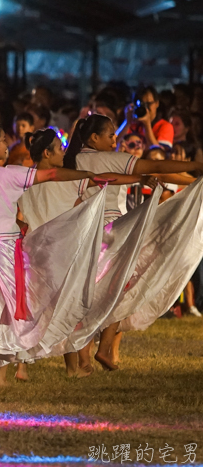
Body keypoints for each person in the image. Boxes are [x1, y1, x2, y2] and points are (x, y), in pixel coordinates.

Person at [0, 122, 108, 386]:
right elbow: (50, 175)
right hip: (3, 247)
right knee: (9, 309)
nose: (6, 145)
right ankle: (1, 375)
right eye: (3, 140)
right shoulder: (9, 174)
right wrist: (87, 175)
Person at [64, 113, 203, 370]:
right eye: (111, 135)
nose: (115, 139)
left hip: (80, 231)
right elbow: (157, 168)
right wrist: (195, 171)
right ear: (95, 138)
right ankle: (104, 349)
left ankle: (83, 360)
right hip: (111, 232)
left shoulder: (72, 159)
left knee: (84, 294)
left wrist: (194, 179)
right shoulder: (109, 158)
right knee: (119, 288)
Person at [17, 128, 141, 377]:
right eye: (59, 149)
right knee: (68, 310)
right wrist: (139, 179)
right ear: (46, 153)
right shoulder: (67, 179)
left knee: (31, 311)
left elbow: (17, 215)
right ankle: (74, 367)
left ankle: (21, 367)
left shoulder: (21, 178)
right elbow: (104, 179)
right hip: (61, 251)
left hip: (32, 251)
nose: (64, 152)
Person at [123, 87, 174, 151]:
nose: (145, 108)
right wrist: (127, 122)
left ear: (157, 103)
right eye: (142, 104)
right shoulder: (133, 124)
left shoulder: (165, 126)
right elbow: (114, 145)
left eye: (148, 104)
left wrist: (147, 125)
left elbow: (160, 154)